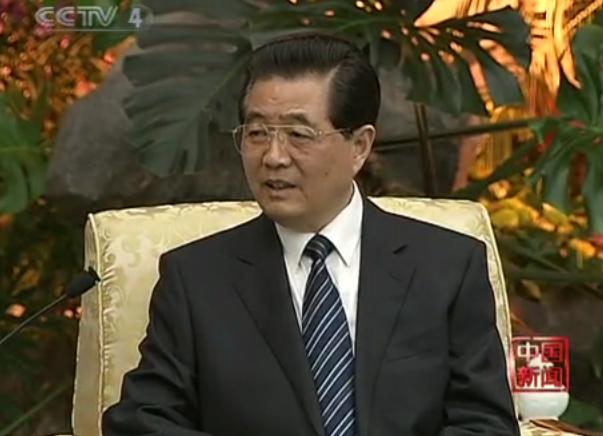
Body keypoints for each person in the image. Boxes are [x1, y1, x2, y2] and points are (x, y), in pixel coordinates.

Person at [102, 33, 519, 436]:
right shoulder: (196, 278)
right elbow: (140, 422)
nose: (273, 157)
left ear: (359, 146)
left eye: (299, 135)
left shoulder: (446, 267)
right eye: (257, 133)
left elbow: (485, 424)